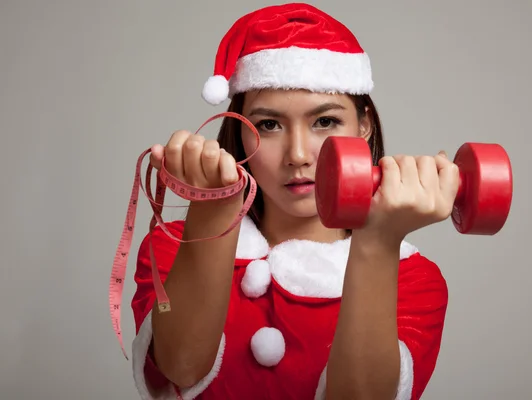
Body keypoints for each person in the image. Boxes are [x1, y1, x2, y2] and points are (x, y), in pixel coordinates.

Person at [130, 3, 458, 400]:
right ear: (240, 133)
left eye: (325, 121)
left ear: (364, 125)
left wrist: (378, 242)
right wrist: (212, 211)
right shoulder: (174, 245)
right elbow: (180, 366)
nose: (299, 155)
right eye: (269, 125)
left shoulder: (414, 279)